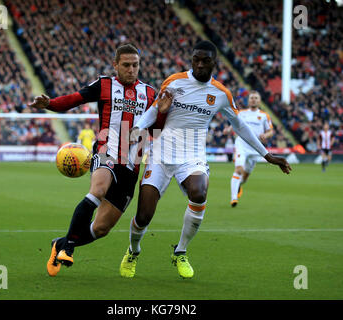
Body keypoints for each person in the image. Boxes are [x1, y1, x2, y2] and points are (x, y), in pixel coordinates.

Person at [119, 40, 291, 279]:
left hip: (193, 156)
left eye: (205, 60)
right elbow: (154, 110)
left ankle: (180, 251)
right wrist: (137, 128)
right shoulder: (174, 81)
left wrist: (267, 155)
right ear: (191, 60)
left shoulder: (221, 94)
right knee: (144, 214)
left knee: (199, 192)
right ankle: (133, 251)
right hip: (161, 154)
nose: (199, 64)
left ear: (214, 62)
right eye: (196, 59)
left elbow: (240, 126)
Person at [28, 44, 157, 277]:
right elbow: (73, 99)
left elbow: (160, 123)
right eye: (126, 65)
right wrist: (49, 104)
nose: (131, 69)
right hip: (106, 150)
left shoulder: (149, 94)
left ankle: (61, 243)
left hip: (132, 164)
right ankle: (68, 249)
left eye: (135, 65)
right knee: (97, 190)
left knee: (101, 228)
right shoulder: (104, 85)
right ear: (115, 65)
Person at [223, 91, 274, 207]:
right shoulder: (241, 113)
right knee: (239, 169)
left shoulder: (264, 115)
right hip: (241, 144)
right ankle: (233, 198)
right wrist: (228, 130)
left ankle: (239, 184)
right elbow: (234, 125)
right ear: (248, 100)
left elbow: (271, 131)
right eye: (251, 98)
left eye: (256, 98)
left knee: (245, 177)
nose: (253, 100)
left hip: (256, 148)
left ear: (259, 101)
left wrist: (265, 135)